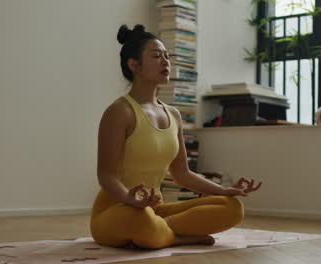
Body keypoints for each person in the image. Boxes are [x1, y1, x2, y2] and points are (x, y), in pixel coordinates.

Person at [90, 24, 262, 249]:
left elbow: (182, 174)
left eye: (166, 56)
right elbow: (106, 175)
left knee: (232, 207)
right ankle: (177, 236)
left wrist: (225, 190)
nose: (165, 61)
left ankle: (163, 231)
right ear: (134, 65)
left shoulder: (173, 114)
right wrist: (129, 199)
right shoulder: (119, 112)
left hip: (156, 209)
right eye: (156, 56)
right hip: (117, 210)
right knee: (142, 221)